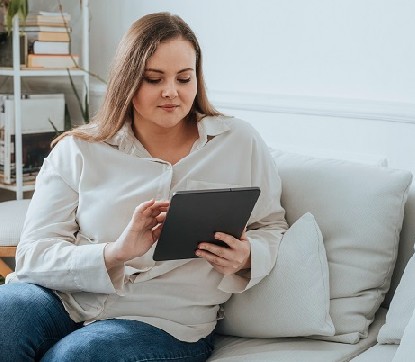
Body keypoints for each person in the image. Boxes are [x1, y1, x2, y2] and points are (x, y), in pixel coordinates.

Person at [0, 12, 288, 362]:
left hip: (164, 321)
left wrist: (247, 256)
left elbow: (271, 225)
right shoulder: (79, 150)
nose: (171, 92)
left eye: (184, 78)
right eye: (154, 79)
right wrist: (115, 252)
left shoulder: (239, 142)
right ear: (127, 80)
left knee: (79, 355)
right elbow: (32, 256)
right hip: (65, 298)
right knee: (6, 313)